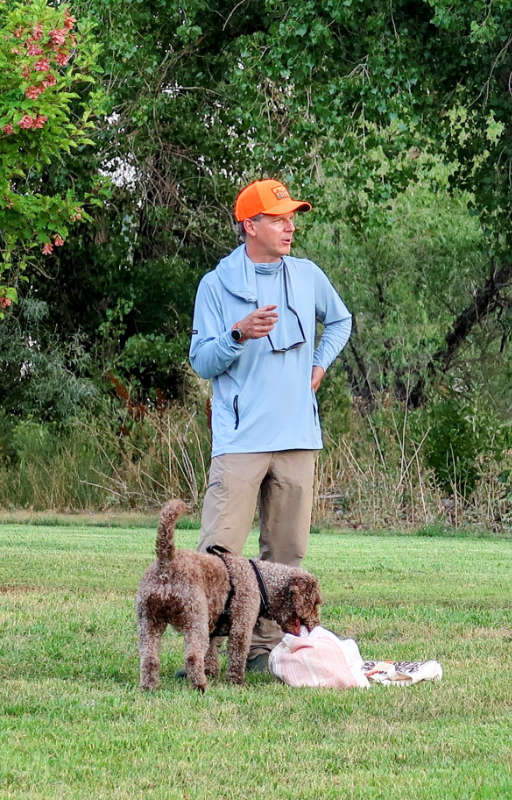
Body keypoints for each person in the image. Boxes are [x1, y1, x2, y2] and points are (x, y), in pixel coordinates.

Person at [189, 178, 352, 671]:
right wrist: (238, 333)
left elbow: (340, 321)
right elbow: (201, 360)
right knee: (217, 556)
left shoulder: (307, 276)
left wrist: (318, 366)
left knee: (284, 558)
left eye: (291, 217)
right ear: (249, 225)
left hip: (298, 439)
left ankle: (261, 652)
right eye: (279, 218)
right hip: (240, 441)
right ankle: (202, 654)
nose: (290, 226)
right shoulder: (216, 285)